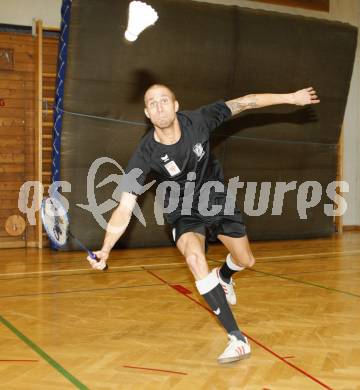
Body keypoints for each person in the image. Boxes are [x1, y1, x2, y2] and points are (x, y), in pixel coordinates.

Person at [88, 84, 320, 364]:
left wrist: (291, 98)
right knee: (194, 258)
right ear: (148, 113)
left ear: (175, 105)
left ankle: (224, 276)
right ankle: (237, 338)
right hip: (181, 209)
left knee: (245, 260)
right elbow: (125, 207)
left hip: (215, 198)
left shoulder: (198, 120)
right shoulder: (145, 154)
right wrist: (105, 249)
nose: (159, 106)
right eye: (153, 103)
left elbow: (246, 102)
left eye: (164, 100)